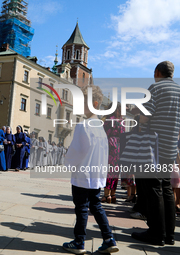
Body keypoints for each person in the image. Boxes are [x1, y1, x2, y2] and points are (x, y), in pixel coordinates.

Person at [63, 85, 119, 254]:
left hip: (82, 174)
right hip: (96, 175)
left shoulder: (83, 126)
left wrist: (68, 164)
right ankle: (109, 238)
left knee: (81, 207)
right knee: (96, 206)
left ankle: (79, 242)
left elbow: (77, 151)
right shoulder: (100, 128)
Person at [131, 61, 180, 246]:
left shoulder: (156, 88)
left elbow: (146, 114)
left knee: (153, 187)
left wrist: (136, 117)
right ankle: (169, 235)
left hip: (153, 146)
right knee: (166, 187)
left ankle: (156, 233)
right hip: (169, 146)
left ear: (157, 72)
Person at [101, 103, 125, 204]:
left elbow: (104, 134)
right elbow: (123, 135)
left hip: (109, 145)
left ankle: (106, 195)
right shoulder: (122, 121)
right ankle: (113, 194)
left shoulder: (108, 120)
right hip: (119, 146)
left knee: (108, 171)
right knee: (115, 172)